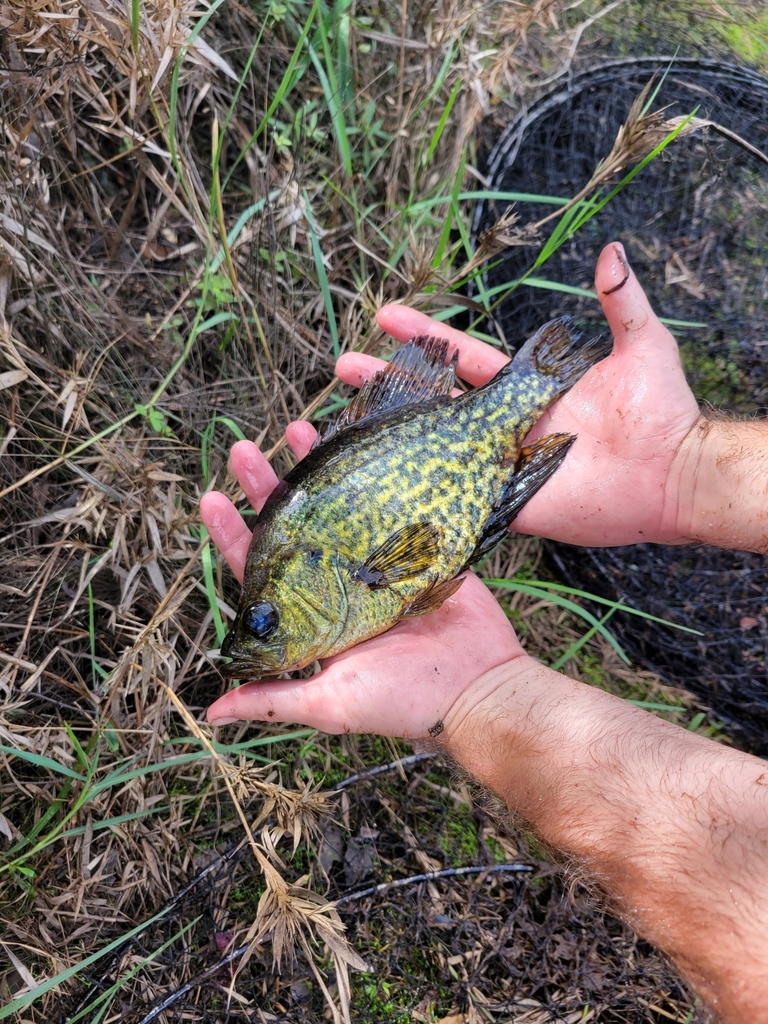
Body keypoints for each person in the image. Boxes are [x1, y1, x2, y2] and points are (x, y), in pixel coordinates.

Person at [200, 243, 768, 1023]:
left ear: (306, 580)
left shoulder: (342, 577)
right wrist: (686, 469)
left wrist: (692, 468)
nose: (257, 630)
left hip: (448, 456)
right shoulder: (324, 576)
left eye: (262, 615)